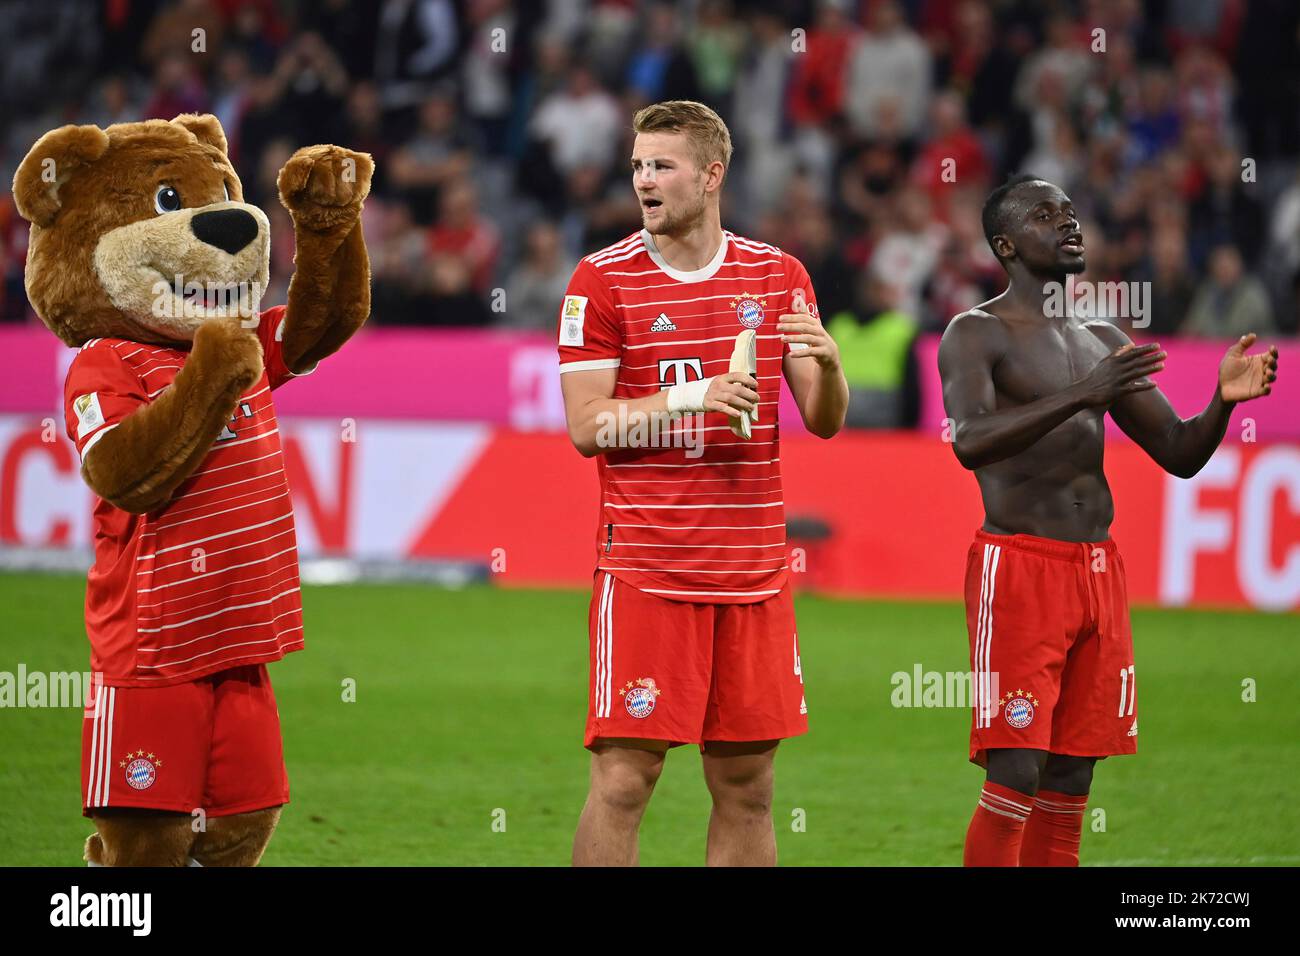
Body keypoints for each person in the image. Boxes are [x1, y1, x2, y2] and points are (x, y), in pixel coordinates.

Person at [938, 175, 1278, 867]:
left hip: (1097, 570)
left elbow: (1180, 453)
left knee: (1071, 774)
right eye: (1044, 215)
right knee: (1016, 772)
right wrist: (1084, 393)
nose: (1068, 222)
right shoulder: (976, 332)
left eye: (1069, 210)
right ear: (1005, 245)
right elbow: (968, 439)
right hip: (1021, 566)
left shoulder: (1101, 336)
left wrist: (1221, 402)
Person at [557, 100, 848, 866]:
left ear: (712, 175)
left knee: (748, 785)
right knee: (625, 779)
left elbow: (822, 419)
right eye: (638, 165)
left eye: (661, 165)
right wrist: (693, 397)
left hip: (753, 572)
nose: (643, 180)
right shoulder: (602, 281)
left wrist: (830, 364)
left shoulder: (777, 273)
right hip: (649, 570)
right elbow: (587, 426)